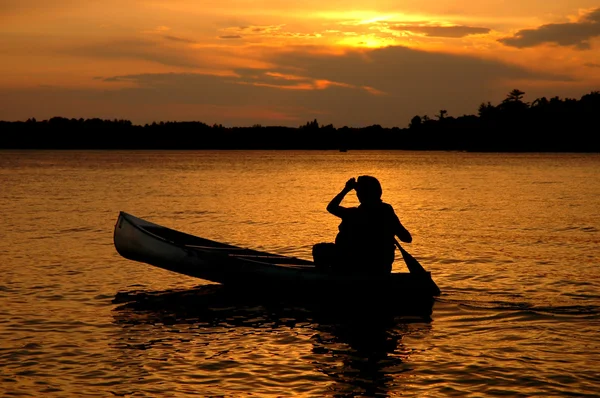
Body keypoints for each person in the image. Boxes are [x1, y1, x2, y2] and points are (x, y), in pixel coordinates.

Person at [312, 176, 412, 275]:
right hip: (381, 266)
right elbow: (407, 238)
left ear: (361, 195)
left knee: (319, 249)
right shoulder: (387, 212)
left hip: (355, 264)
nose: (357, 195)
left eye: (358, 192)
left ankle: (329, 278)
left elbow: (331, 207)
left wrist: (346, 189)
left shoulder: (354, 214)